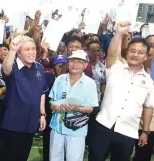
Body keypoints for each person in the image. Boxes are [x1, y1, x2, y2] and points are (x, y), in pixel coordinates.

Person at [88, 21, 154, 161]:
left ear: (146, 56)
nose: (135, 55)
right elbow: (112, 54)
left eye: (140, 52)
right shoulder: (115, 68)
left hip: (128, 131)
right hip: (103, 125)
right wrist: (118, 33)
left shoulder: (149, 82)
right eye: (133, 51)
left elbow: (148, 107)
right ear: (127, 52)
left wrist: (145, 131)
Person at [0, 35, 47, 161]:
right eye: (27, 49)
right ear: (19, 53)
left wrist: (42, 114)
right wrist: (12, 50)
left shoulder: (39, 68)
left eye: (33, 49)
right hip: (13, 124)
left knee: (23, 157)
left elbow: (42, 92)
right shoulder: (13, 67)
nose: (31, 52)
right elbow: (5, 68)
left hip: (31, 123)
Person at [49, 50, 98, 161]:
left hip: (76, 129)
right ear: (68, 62)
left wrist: (77, 108)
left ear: (85, 65)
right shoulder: (60, 79)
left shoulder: (90, 83)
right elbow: (51, 100)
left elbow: (90, 108)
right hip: (57, 127)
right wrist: (54, 106)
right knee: (54, 158)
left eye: (79, 62)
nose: (75, 64)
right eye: (72, 61)